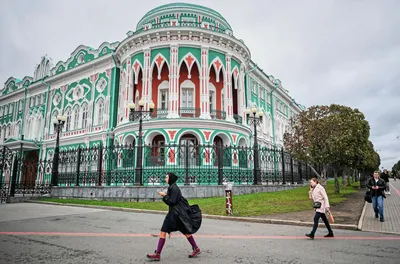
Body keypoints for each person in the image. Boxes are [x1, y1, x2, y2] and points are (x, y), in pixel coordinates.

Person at [146, 172, 201, 261]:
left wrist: (164, 196)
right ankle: (196, 248)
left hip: (175, 215)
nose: (165, 179)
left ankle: (157, 254)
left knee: (163, 232)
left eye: (166, 177)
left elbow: (172, 202)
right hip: (177, 214)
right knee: (186, 232)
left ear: (170, 178)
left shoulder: (174, 188)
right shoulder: (172, 187)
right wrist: (166, 196)